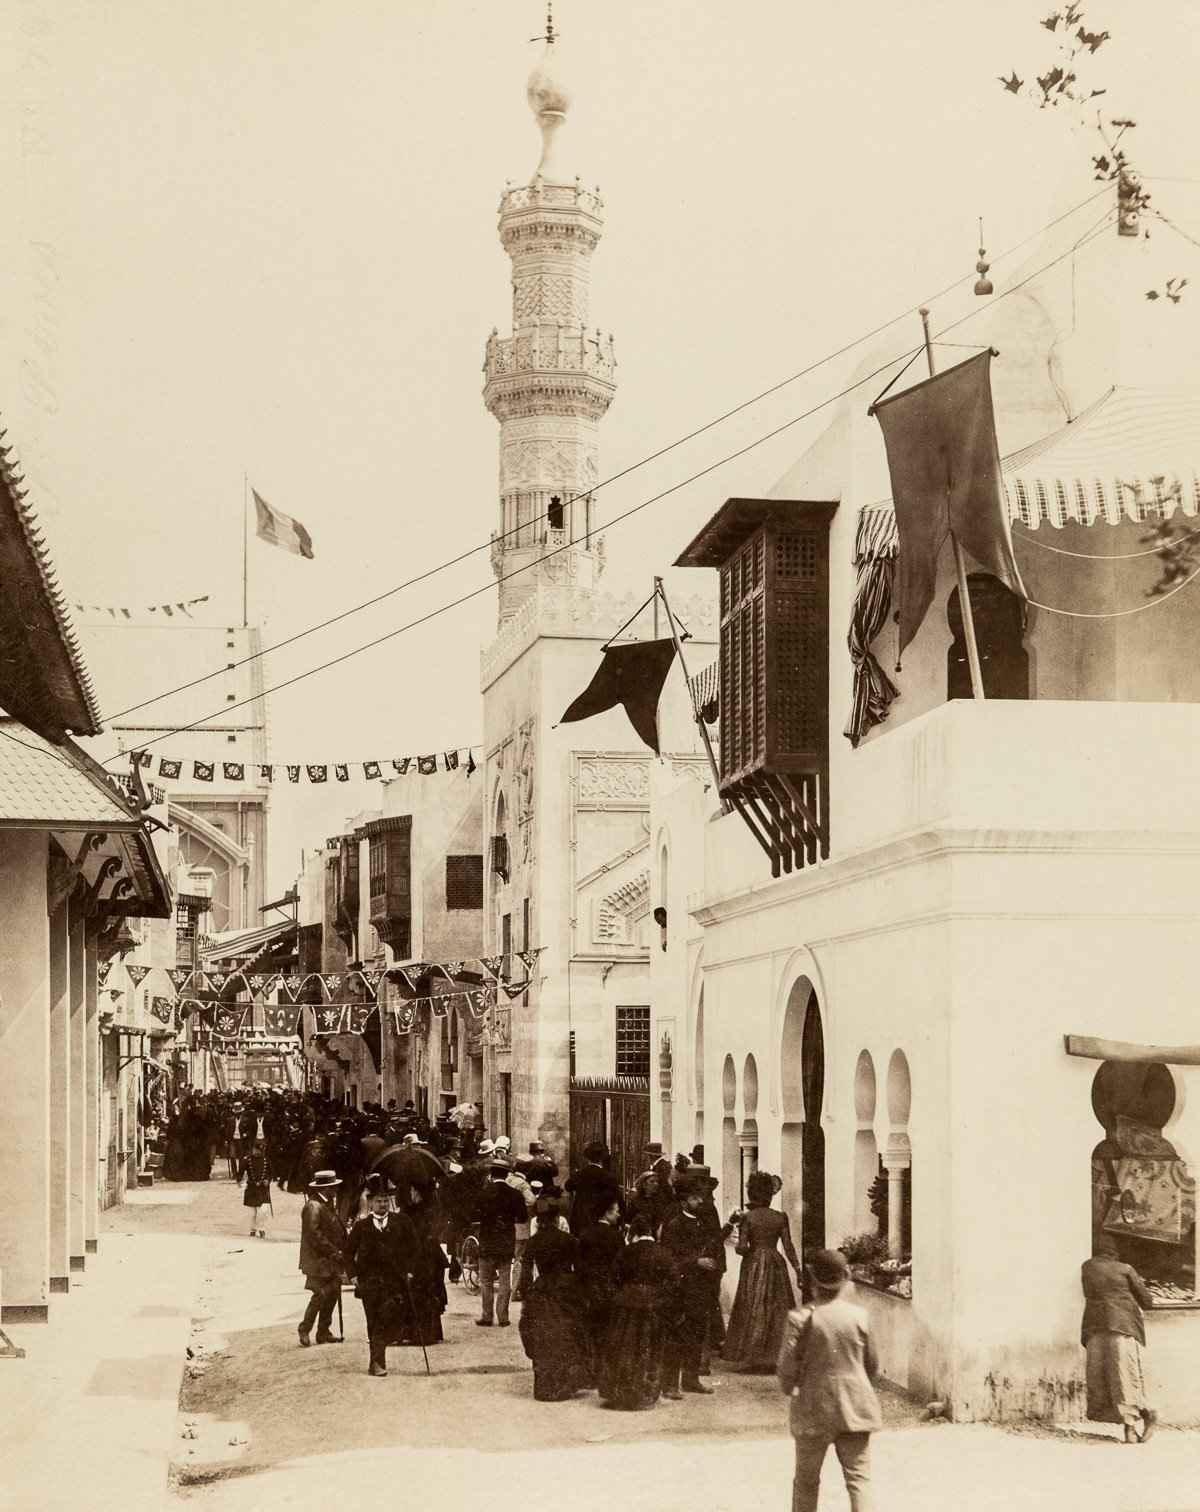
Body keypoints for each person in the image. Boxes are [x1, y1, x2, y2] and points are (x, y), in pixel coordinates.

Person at [777, 1248, 881, 1512]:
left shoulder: (799, 1318)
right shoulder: (860, 1317)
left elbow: (787, 1368)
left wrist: (790, 1388)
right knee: (859, 1480)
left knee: (806, 1481)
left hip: (813, 1407)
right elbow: (872, 1366)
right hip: (855, 1406)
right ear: (845, 1278)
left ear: (812, 1279)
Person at [1081, 1234, 1157, 1443]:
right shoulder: (1126, 1269)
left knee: (1101, 1377)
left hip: (1096, 1326)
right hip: (1122, 1326)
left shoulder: (1087, 1267)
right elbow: (1147, 1302)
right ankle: (1137, 1421)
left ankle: (1133, 1424)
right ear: (1115, 1252)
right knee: (1124, 1375)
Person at [597, 1214, 678, 1411]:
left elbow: (612, 1278)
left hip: (626, 1304)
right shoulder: (664, 1253)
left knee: (624, 1346)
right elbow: (675, 1282)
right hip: (653, 1305)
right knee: (650, 1347)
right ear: (653, 1231)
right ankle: (645, 1392)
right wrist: (662, 1300)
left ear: (634, 1232)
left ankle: (621, 1391)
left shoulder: (626, 1252)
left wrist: (620, 1296)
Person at [722, 1171, 799, 1371]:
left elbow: (741, 1248)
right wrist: (798, 1270)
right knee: (777, 1307)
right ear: (770, 1194)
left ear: (751, 1193)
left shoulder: (748, 1217)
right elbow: (789, 1246)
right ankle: (775, 1356)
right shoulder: (780, 1217)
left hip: (754, 1262)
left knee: (753, 1305)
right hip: (775, 1261)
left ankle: (752, 1356)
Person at [345, 1175, 421, 1377]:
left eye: (386, 1201)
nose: (382, 1205)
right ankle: (376, 1362)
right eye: (378, 1201)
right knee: (374, 1321)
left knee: (392, 1318)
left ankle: (377, 1358)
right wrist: (353, 1276)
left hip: (395, 1282)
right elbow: (347, 1253)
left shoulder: (401, 1222)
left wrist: (411, 1270)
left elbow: (415, 1248)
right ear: (370, 1203)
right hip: (369, 1283)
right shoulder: (361, 1227)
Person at [517, 1208, 592, 1400]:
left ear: (539, 1221)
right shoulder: (569, 1240)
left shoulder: (534, 1241)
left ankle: (545, 1385)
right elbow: (582, 1269)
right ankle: (566, 1382)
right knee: (567, 1334)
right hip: (566, 1289)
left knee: (543, 1336)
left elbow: (526, 1271)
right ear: (557, 1220)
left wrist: (525, 1293)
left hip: (542, 1289)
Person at [659, 1174, 721, 1396]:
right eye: (695, 1199)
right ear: (684, 1202)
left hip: (700, 1287)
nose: (700, 1202)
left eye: (699, 1198)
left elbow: (711, 1246)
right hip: (681, 1288)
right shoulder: (675, 1225)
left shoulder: (702, 1222)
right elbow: (669, 1258)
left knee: (696, 1333)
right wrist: (697, 1261)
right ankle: (669, 1385)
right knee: (677, 1335)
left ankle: (691, 1379)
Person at [474, 1159, 529, 1327]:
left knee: (486, 1281)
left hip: (487, 1240)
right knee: (505, 1280)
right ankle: (503, 1317)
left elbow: (474, 1215)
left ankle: (487, 1316)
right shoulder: (515, 1194)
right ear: (507, 1174)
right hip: (506, 1240)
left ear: (491, 1174)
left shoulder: (483, 1193)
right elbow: (522, 1217)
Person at [298, 1169, 346, 1347]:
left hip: (329, 1259)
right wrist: (334, 1251)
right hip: (317, 1260)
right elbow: (314, 1235)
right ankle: (305, 1328)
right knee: (319, 1295)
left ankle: (323, 1331)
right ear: (326, 1188)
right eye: (333, 1187)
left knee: (332, 1294)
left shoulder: (326, 1203)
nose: (335, 1190)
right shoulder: (313, 1206)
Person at [577, 1196, 624, 1357]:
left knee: (591, 1327)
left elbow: (579, 1263)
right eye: (616, 1211)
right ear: (606, 1213)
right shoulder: (616, 1236)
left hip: (589, 1286)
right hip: (609, 1286)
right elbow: (620, 1263)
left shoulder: (585, 1234)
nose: (619, 1215)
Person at [565, 1141, 623, 1236]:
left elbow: (568, 1186)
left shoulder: (580, 1174)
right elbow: (617, 1198)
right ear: (603, 1159)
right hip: (600, 1217)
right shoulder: (608, 1177)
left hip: (580, 1217)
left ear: (587, 1158)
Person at [241, 1138, 272, 1238]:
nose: (256, 1152)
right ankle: (252, 1229)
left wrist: (268, 1180)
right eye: (254, 1150)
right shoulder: (247, 1160)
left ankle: (262, 1229)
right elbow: (240, 1171)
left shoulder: (266, 1160)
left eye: (258, 1150)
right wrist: (238, 1180)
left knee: (263, 1211)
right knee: (252, 1212)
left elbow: (271, 1173)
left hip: (263, 1188)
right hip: (251, 1187)